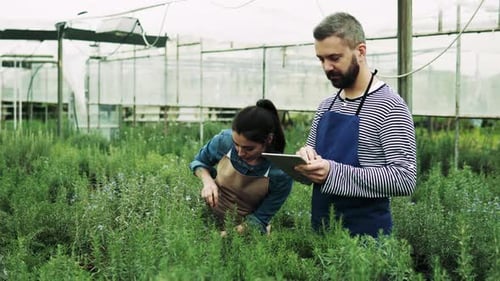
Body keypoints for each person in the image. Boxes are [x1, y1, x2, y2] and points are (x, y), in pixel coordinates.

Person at [295, 12, 417, 238]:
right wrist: (305, 161)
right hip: (322, 236)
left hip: (366, 243)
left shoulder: (389, 107)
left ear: (360, 51)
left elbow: (404, 179)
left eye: (334, 58)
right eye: (321, 59)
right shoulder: (326, 106)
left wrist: (332, 172)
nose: (326, 67)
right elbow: (314, 161)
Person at [189, 99, 293, 235]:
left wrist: (225, 236)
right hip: (208, 216)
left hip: (243, 232)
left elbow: (259, 220)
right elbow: (199, 163)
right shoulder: (224, 140)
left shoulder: (280, 172)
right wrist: (207, 181)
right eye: (236, 144)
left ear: (268, 139)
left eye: (248, 148)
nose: (240, 152)